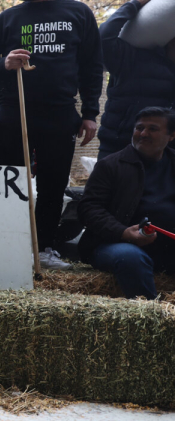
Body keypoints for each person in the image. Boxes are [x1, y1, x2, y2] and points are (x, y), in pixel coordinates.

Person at [0, 0, 103, 270]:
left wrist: (89, 113)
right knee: (12, 181)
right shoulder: (8, 18)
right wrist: (3, 62)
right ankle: (12, 246)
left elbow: (91, 67)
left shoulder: (80, 14)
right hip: (14, 111)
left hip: (60, 114)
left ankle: (43, 248)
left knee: (53, 185)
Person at [78, 107, 175, 298]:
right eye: (139, 128)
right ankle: (151, 320)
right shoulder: (110, 165)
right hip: (115, 244)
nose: (143, 133)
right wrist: (122, 232)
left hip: (167, 246)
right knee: (130, 258)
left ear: (171, 135)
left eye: (153, 129)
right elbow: (88, 208)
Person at [97, 0, 175, 159]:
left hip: (162, 154)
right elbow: (104, 36)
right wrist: (137, 3)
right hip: (117, 147)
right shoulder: (131, 58)